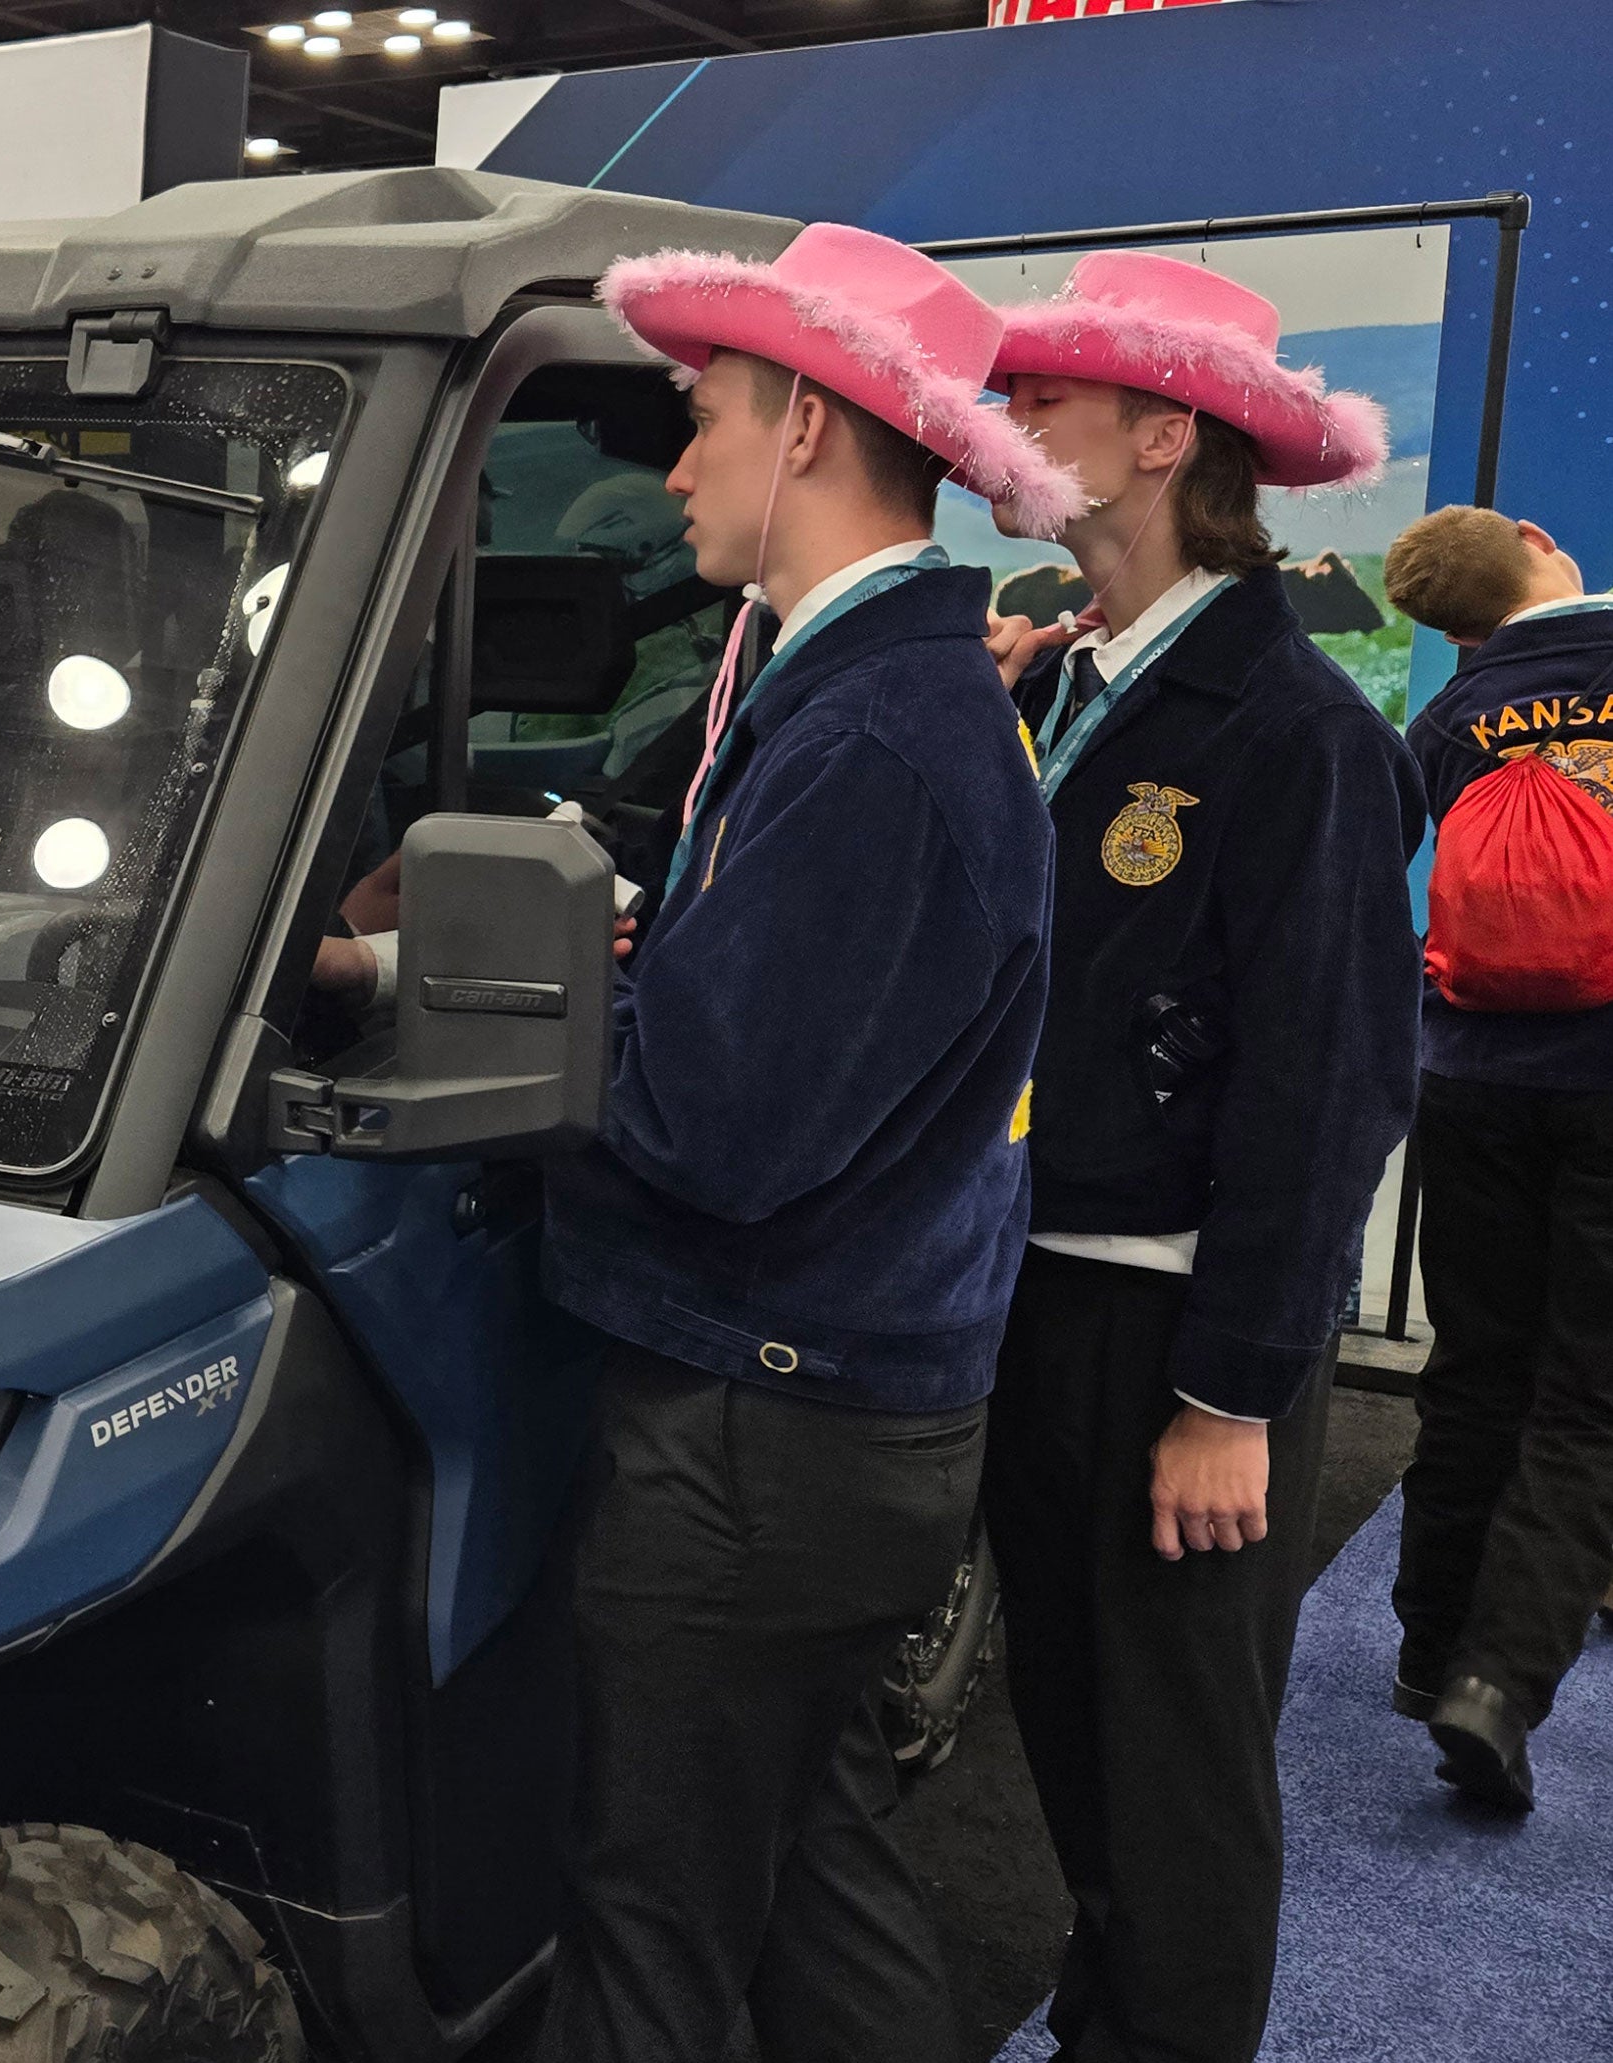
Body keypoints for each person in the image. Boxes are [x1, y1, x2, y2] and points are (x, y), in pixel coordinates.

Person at [534, 224, 1080, 2062]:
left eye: (705, 419)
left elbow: (713, 1129)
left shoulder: (877, 733)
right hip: (846, 1412)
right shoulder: (879, 695)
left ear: (811, 429)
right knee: (812, 1867)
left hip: (762, 1425)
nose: (676, 465)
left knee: (655, 1915)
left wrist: (554, 1026)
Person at [980, 251, 1423, 2062]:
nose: (1005, 434)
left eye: (1043, 406)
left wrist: (1236, 1390)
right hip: (1035, 1287)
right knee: (1081, 1739)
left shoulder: (1299, 729)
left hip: (1169, 1338)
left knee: (1175, 1779)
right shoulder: (1079, 679)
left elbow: (1331, 1086)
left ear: (1164, 435)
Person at [1379, 502, 1613, 1808]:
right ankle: (1498, 1685)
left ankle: (1425, 1647)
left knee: (1472, 1367)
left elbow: (1374, 865)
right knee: (1588, 1399)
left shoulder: (1458, 711)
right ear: (1540, 539)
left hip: (1469, 1075)